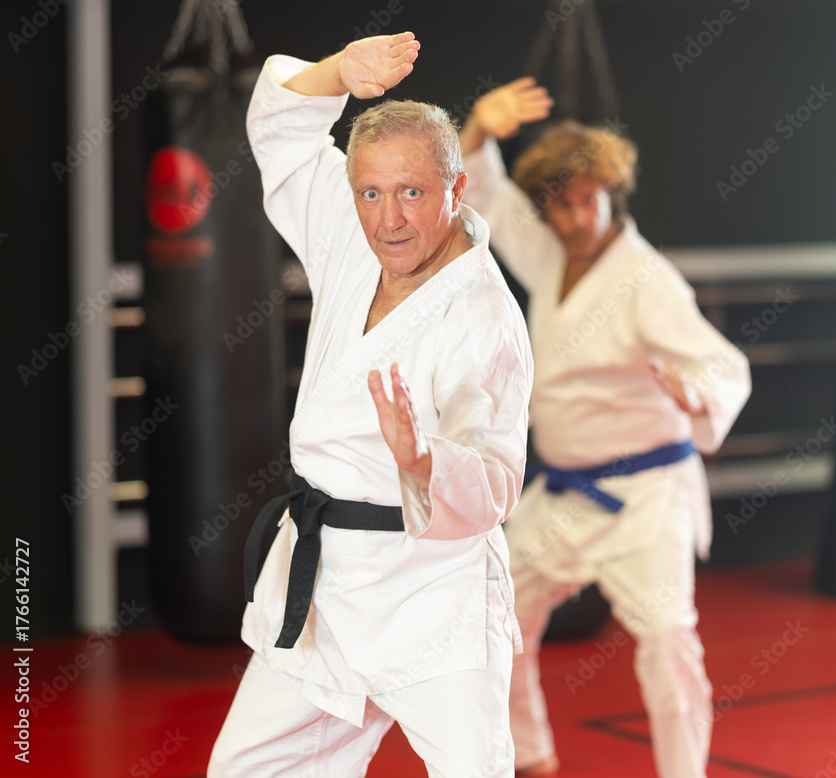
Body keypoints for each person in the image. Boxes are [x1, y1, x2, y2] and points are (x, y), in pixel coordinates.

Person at [208, 33, 533, 777]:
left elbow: (495, 482)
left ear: (456, 189)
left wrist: (423, 458)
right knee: (245, 770)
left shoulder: (484, 317)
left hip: (429, 592)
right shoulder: (354, 241)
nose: (389, 219)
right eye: (371, 193)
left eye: (412, 192)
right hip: (324, 581)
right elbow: (281, 134)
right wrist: (337, 73)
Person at [458, 80, 752, 778]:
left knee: (668, 640)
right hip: (564, 494)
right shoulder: (551, 254)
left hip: (646, 496)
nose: (577, 217)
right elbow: (487, 196)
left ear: (612, 195)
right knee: (494, 612)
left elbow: (726, 364)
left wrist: (697, 391)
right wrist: (479, 130)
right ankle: (530, 756)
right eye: (561, 204)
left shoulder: (646, 279)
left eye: (589, 200)